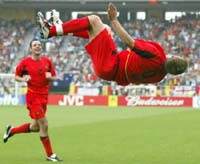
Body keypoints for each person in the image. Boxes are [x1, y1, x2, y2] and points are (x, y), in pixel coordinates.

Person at [37, 2, 188, 86]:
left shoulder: (157, 55)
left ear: (173, 56)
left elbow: (129, 42)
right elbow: (135, 82)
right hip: (111, 72)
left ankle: (49, 32)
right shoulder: (159, 77)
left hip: (111, 64)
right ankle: (59, 29)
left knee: (95, 20)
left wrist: (114, 19)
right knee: (103, 30)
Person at [3, 39, 62, 162]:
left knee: (35, 127)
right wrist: (23, 79)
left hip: (44, 97)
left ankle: (12, 131)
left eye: (39, 45)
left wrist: (50, 77)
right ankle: (50, 154)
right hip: (32, 97)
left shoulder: (47, 61)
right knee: (44, 124)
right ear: (31, 49)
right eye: (35, 45)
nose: (38, 47)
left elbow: (53, 76)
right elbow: (16, 77)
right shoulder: (25, 63)